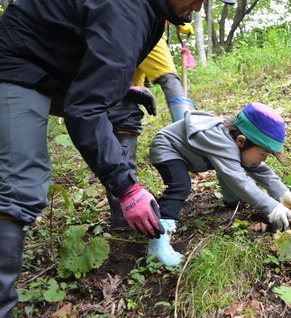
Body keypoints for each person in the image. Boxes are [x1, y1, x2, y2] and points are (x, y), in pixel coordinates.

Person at [0, 0, 234, 315]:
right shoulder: (126, 9)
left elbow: (92, 46)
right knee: (22, 183)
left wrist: (118, 85)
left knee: (124, 109)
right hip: (17, 63)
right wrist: (127, 188)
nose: (199, 5)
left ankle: (123, 222)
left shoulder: (154, 11)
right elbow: (84, 109)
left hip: (55, 64)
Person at [148, 102, 291, 265]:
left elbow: (260, 170)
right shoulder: (222, 142)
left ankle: (232, 199)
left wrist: (283, 194)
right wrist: (271, 207)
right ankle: (158, 240)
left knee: (232, 165)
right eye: (263, 153)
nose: (263, 159)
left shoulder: (239, 144)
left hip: (193, 154)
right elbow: (239, 180)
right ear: (241, 141)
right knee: (179, 186)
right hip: (168, 149)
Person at [107, 26, 197, 229]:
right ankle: (190, 135)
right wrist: (184, 25)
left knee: (120, 127)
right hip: (146, 34)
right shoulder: (148, 22)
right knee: (169, 79)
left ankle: (121, 217)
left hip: (116, 80)